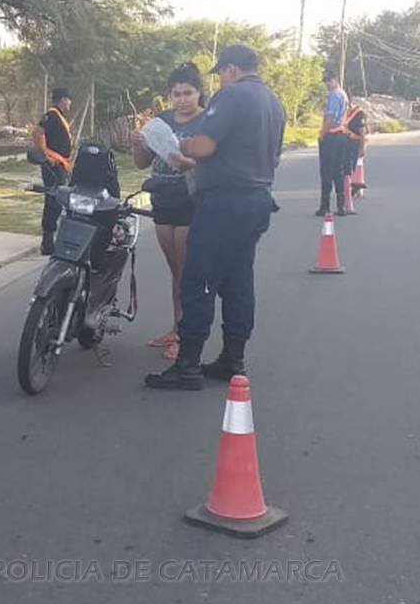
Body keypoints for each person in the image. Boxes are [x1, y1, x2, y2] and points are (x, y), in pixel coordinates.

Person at [144, 45, 285, 391]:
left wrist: (181, 146)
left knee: (198, 280)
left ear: (232, 69)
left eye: (221, 72)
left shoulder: (232, 96)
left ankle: (187, 365)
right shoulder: (274, 103)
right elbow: (274, 158)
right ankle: (232, 359)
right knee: (238, 279)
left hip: (223, 204)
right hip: (256, 200)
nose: (220, 78)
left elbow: (205, 146)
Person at [130, 62, 205, 361]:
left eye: (188, 93)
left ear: (199, 93)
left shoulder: (208, 122)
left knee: (188, 270)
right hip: (163, 198)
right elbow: (141, 162)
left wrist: (189, 164)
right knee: (175, 269)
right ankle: (176, 327)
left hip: (192, 198)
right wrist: (137, 143)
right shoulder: (159, 121)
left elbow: (214, 162)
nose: (183, 99)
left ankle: (187, 335)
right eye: (177, 94)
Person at [31, 88, 74, 255]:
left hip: (60, 165)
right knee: (53, 201)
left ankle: (54, 239)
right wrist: (46, 155)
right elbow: (38, 133)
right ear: (62, 100)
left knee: (59, 201)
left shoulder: (59, 117)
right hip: (53, 166)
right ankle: (47, 242)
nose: (70, 103)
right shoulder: (51, 116)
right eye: (69, 99)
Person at [317, 69, 351, 216]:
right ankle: (341, 205)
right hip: (342, 135)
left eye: (328, 81)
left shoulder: (334, 95)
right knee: (339, 170)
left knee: (326, 172)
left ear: (334, 80)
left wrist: (322, 135)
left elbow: (330, 118)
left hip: (331, 136)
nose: (327, 85)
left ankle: (324, 206)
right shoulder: (343, 94)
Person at [342, 93, 367, 208]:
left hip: (355, 144)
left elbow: (362, 132)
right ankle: (347, 188)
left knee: (352, 167)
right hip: (343, 144)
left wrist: (361, 148)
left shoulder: (359, 114)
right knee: (344, 167)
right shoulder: (342, 112)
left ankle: (353, 188)